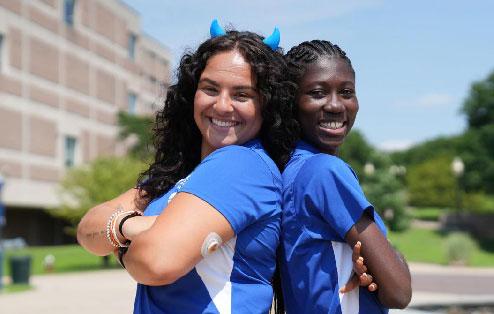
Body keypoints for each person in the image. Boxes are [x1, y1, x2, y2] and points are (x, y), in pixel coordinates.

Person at [77, 22, 300, 313]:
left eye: (241, 95)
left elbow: (155, 262)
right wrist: (132, 225)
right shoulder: (180, 172)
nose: (222, 105)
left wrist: (122, 240)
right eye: (210, 88)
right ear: (191, 93)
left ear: (267, 105)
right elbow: (86, 230)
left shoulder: (241, 164)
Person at [279, 40, 412, 313]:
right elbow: (399, 293)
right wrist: (387, 261)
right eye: (318, 93)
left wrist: (375, 264)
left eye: (346, 92)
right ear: (291, 102)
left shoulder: (292, 169)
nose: (336, 105)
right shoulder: (324, 172)